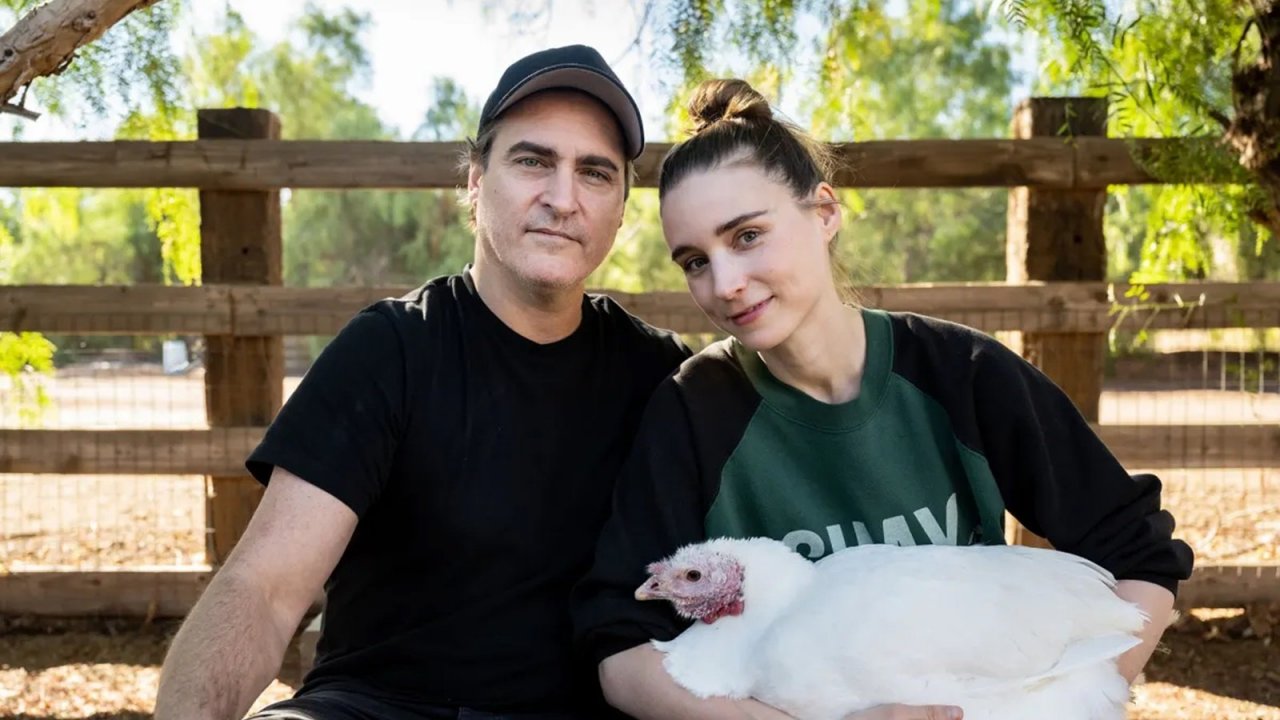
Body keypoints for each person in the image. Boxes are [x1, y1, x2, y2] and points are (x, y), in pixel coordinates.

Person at [571, 78, 1195, 720]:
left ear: (824, 212)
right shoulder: (694, 411)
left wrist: (1070, 698)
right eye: (695, 261)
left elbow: (1140, 550)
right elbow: (621, 651)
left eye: (748, 236)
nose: (725, 282)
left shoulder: (961, 372)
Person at [154, 45, 690, 720]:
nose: (562, 198)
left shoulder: (660, 377)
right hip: (379, 705)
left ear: (619, 207)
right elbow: (264, 590)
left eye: (595, 173)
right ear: (473, 180)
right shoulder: (391, 350)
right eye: (532, 161)